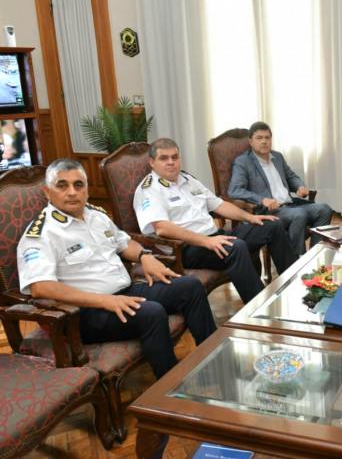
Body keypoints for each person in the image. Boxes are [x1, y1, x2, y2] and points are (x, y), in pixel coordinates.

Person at [17, 159, 217, 379]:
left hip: (124, 291)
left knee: (190, 287)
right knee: (151, 313)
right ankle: (170, 385)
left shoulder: (96, 215)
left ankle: (213, 360)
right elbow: (41, 287)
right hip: (85, 313)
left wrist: (144, 256)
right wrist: (105, 301)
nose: (72, 192)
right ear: (47, 192)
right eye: (62, 185)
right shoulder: (41, 233)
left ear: (87, 189)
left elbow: (124, 243)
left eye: (78, 185)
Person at [133, 138, 296, 302]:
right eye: (164, 158)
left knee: (272, 225)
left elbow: (219, 205)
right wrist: (205, 241)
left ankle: (294, 287)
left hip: (215, 236)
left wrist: (250, 217)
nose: (171, 162)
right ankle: (260, 305)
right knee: (235, 247)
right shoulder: (149, 190)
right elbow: (162, 228)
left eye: (174, 157)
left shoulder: (188, 179)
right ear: (152, 162)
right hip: (187, 248)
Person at [227, 121, 333, 255]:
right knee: (299, 215)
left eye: (267, 138)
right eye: (259, 138)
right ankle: (295, 260)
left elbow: (291, 176)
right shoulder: (243, 162)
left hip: (291, 205)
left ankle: (315, 254)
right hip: (270, 211)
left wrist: (299, 186)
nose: (264, 141)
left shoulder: (277, 157)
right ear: (251, 141)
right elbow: (234, 190)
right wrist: (262, 200)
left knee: (324, 209)